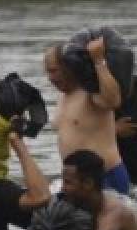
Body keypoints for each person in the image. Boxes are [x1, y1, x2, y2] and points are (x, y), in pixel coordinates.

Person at [44, 38, 129, 195]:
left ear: (69, 67)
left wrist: (98, 61)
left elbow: (114, 100)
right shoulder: (62, 97)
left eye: (54, 71)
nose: (50, 78)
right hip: (75, 181)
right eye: (47, 71)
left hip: (106, 176)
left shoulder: (90, 91)